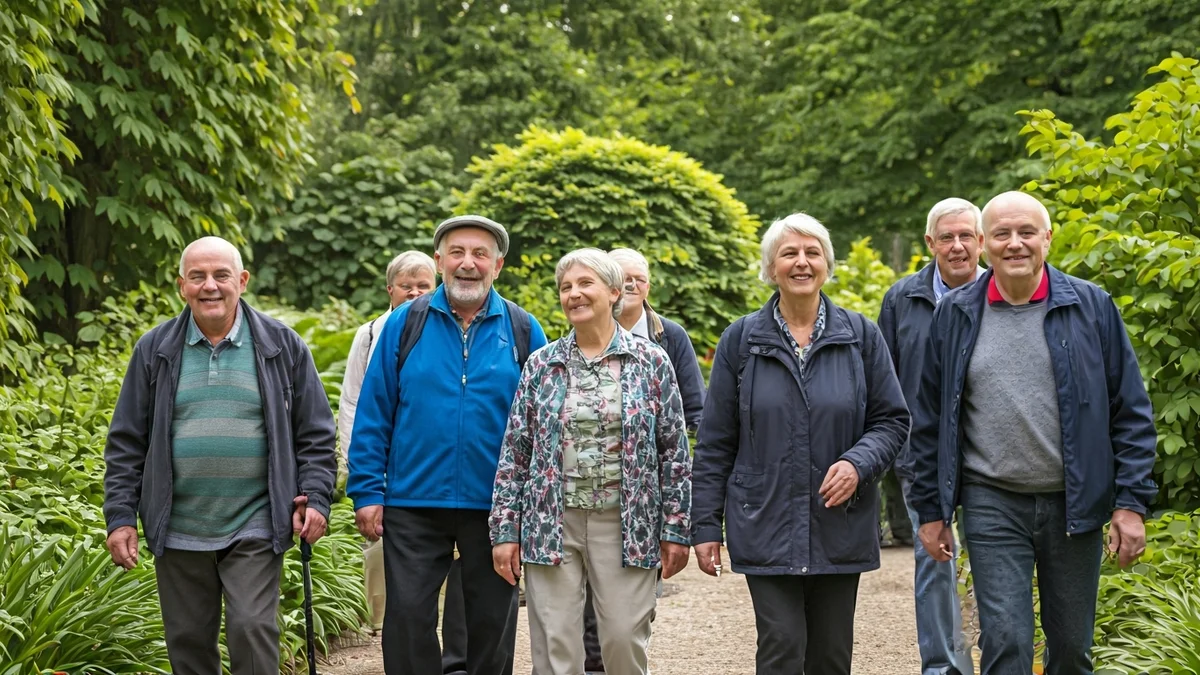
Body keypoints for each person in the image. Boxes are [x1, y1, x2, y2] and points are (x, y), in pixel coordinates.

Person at [909, 191, 1158, 675]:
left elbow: (1130, 410)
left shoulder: (1091, 307)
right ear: (985, 243)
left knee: (1071, 648)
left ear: (1047, 237)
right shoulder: (956, 314)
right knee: (1006, 641)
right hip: (992, 500)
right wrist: (930, 509)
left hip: (1075, 501)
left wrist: (1131, 504)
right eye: (1002, 234)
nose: (1015, 244)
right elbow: (930, 421)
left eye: (1026, 232)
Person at [103, 236, 337, 674]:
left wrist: (317, 497)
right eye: (198, 277)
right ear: (182, 286)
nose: (209, 286)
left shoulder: (281, 346)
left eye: (221, 275)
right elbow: (126, 442)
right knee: (188, 641)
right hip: (177, 523)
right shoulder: (155, 350)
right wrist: (120, 517)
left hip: (254, 519)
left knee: (251, 628)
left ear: (242, 281)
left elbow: (316, 433)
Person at [691, 213, 910, 675]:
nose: (802, 262)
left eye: (812, 253)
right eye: (789, 253)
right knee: (781, 647)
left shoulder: (860, 336)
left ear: (827, 265)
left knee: (831, 656)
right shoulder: (742, 339)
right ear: (771, 268)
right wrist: (706, 526)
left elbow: (891, 420)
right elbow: (715, 441)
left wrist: (857, 464)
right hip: (764, 518)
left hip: (839, 522)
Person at [347, 215, 548, 675]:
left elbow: (542, 426)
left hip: (495, 505)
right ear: (439, 261)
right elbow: (375, 411)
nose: (467, 264)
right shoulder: (404, 325)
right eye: (456, 253)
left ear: (498, 265)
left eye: (480, 254)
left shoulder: (523, 329)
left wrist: (530, 506)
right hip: (412, 501)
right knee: (409, 617)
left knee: (490, 621)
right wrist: (367, 492)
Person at [489, 248, 692, 675]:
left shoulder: (651, 361)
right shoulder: (542, 365)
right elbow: (515, 453)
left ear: (615, 291)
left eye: (585, 284)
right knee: (555, 647)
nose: (574, 294)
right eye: (566, 287)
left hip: (626, 523)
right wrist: (505, 529)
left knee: (622, 640)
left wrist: (676, 527)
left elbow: (674, 449)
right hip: (551, 523)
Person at [570, 247, 706, 673]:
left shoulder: (666, 340)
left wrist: (677, 515)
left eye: (638, 279)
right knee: (580, 617)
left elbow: (686, 419)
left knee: (625, 619)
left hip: (635, 506)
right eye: (623, 278)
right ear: (611, 287)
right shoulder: (564, 353)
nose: (631, 286)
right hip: (574, 508)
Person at [877, 197, 986, 675]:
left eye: (966, 236)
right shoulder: (902, 299)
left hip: (991, 453)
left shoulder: (1007, 293)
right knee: (934, 563)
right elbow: (884, 381)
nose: (957, 246)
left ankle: (1005, 657)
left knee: (994, 560)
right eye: (947, 237)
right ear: (930, 243)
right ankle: (944, 667)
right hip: (921, 454)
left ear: (980, 241)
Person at [338, 250, 437, 631]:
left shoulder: (446, 329)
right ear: (389, 289)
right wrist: (360, 471)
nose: (414, 293)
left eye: (423, 286)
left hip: (426, 471)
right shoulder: (370, 334)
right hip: (383, 468)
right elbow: (352, 402)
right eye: (406, 286)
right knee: (382, 554)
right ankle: (382, 630)